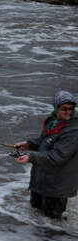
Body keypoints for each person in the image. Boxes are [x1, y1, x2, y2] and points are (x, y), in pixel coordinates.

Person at [12, 91, 78, 219]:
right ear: (56, 108)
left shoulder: (74, 130)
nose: (68, 112)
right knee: (35, 216)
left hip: (57, 185)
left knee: (51, 224)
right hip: (42, 179)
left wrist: (30, 157)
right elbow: (45, 141)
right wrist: (29, 144)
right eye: (64, 108)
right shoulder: (53, 121)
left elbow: (58, 156)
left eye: (71, 108)